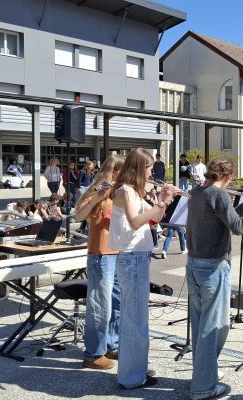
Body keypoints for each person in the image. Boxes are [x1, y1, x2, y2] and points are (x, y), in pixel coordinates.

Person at [186, 157, 243, 400]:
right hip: (213, 267)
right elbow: (237, 228)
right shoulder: (219, 194)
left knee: (201, 324)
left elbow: (224, 220)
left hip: (194, 264)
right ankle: (203, 388)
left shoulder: (198, 191)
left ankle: (204, 374)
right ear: (228, 177)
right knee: (213, 328)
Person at [109, 149, 176, 389]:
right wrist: (158, 202)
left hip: (137, 257)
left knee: (136, 319)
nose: (151, 172)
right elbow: (136, 222)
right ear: (138, 168)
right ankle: (132, 378)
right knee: (135, 321)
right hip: (132, 258)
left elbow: (154, 219)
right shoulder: (125, 191)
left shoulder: (135, 192)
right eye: (149, 168)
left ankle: (134, 370)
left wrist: (165, 200)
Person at [74, 154, 125, 370]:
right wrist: (97, 196)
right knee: (100, 307)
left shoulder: (120, 192)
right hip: (101, 254)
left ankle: (111, 345)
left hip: (118, 253)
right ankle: (93, 353)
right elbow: (78, 216)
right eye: (122, 172)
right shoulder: (97, 189)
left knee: (117, 303)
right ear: (113, 171)